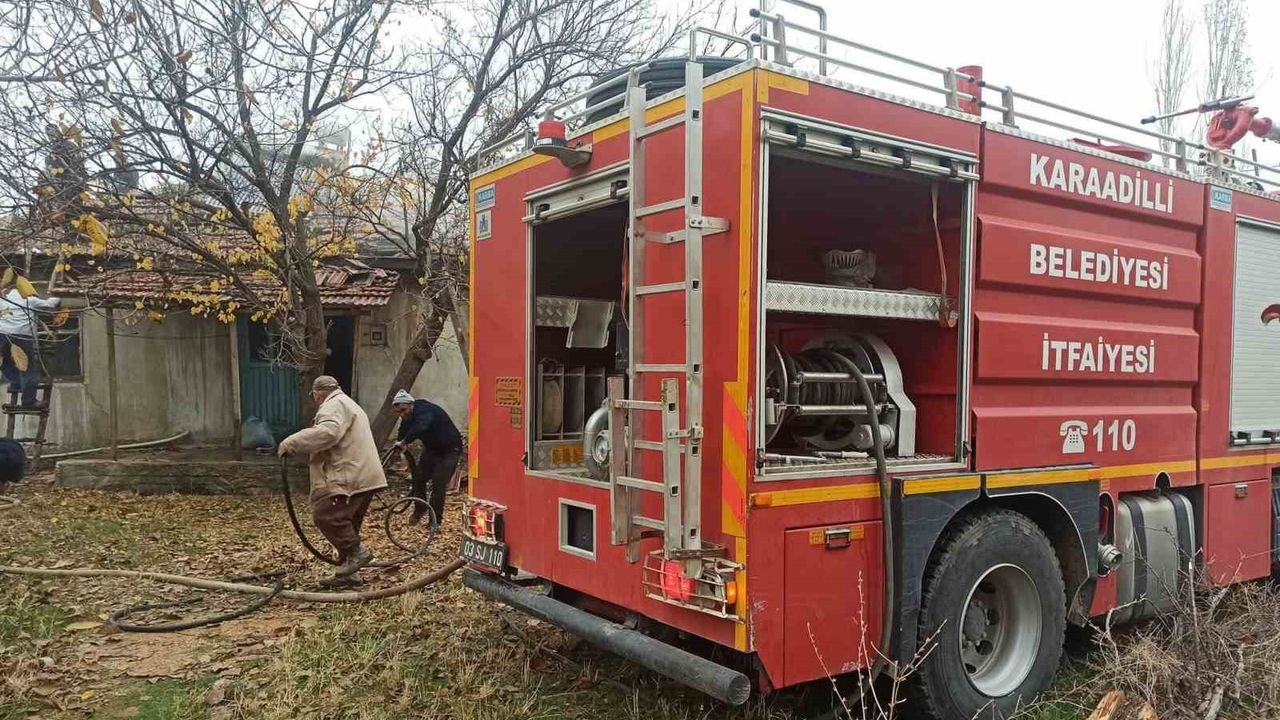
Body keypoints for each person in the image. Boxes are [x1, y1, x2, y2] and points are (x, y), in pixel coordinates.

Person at [279, 376, 387, 588]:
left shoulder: (333, 405)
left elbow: (328, 433)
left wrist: (291, 443)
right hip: (364, 474)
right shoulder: (348, 403)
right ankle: (349, 574)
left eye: (314, 396)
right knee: (348, 523)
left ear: (318, 393)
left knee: (326, 516)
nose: (316, 399)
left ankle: (357, 553)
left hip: (350, 474)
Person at [391, 389, 462, 527]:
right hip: (432, 450)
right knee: (419, 479)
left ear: (411, 404)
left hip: (450, 449)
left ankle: (435, 521)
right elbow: (403, 431)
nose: (402, 414)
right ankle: (420, 508)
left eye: (403, 410)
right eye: (398, 412)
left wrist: (406, 441)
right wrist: (400, 443)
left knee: (438, 484)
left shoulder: (424, 410)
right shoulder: (407, 416)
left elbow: (421, 426)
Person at [0, 287, 60, 408]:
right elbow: (50, 304)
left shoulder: (3, 301)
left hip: (2, 335)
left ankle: (16, 382)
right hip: (22, 337)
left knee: (5, 363)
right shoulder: (29, 300)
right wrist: (58, 296)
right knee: (27, 369)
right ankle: (28, 400)